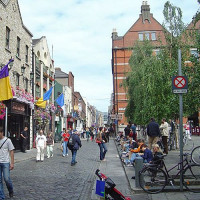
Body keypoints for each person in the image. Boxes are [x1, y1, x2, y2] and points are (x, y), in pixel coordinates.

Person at [0, 126, 14, 199]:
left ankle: (10, 190)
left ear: (2, 132)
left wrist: (12, 163)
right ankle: (1, 197)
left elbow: (11, 151)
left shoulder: (8, 140)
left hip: (5, 162)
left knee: (7, 179)